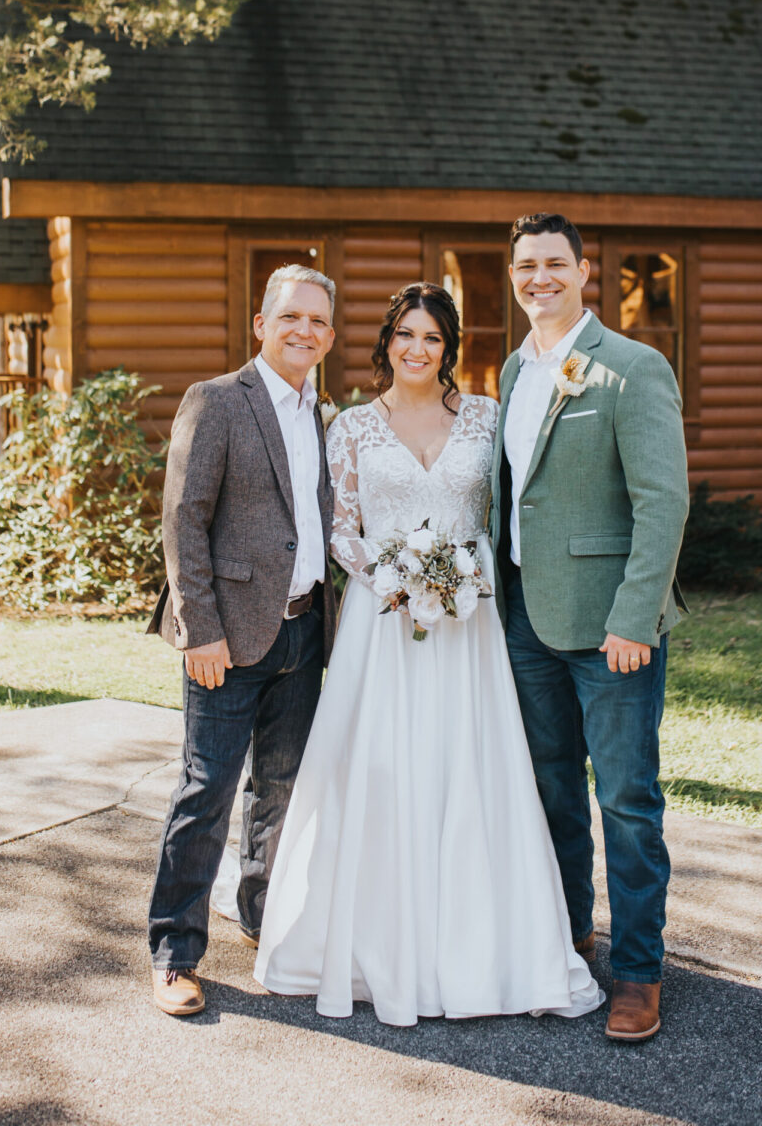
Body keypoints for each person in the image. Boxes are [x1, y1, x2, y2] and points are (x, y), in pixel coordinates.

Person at [254, 283, 602, 1027]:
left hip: (469, 628)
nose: (418, 349)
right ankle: (374, 945)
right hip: (383, 627)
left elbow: (504, 513)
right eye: (406, 335)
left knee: (470, 768)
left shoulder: (485, 414)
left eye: (433, 338)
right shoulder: (347, 426)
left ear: (450, 348)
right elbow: (338, 523)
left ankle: (482, 946)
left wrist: (460, 579)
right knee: (380, 772)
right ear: (386, 343)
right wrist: (394, 578)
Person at [490, 212, 690, 1043]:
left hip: (613, 631)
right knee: (552, 794)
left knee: (628, 803)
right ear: (513, 275)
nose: (540, 277)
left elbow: (663, 501)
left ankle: (638, 971)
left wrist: (635, 618)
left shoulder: (633, 367)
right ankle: (570, 935)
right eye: (526, 265)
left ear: (583, 273)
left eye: (555, 264)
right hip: (528, 622)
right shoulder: (510, 369)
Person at [146, 264, 338, 1017]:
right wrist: (199, 631)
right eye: (292, 317)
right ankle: (172, 952)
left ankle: (260, 917)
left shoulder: (322, 414)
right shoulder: (219, 401)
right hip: (225, 639)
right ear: (261, 324)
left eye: (319, 321)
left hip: (303, 636)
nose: (305, 331)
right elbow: (183, 520)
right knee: (206, 791)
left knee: (280, 791)